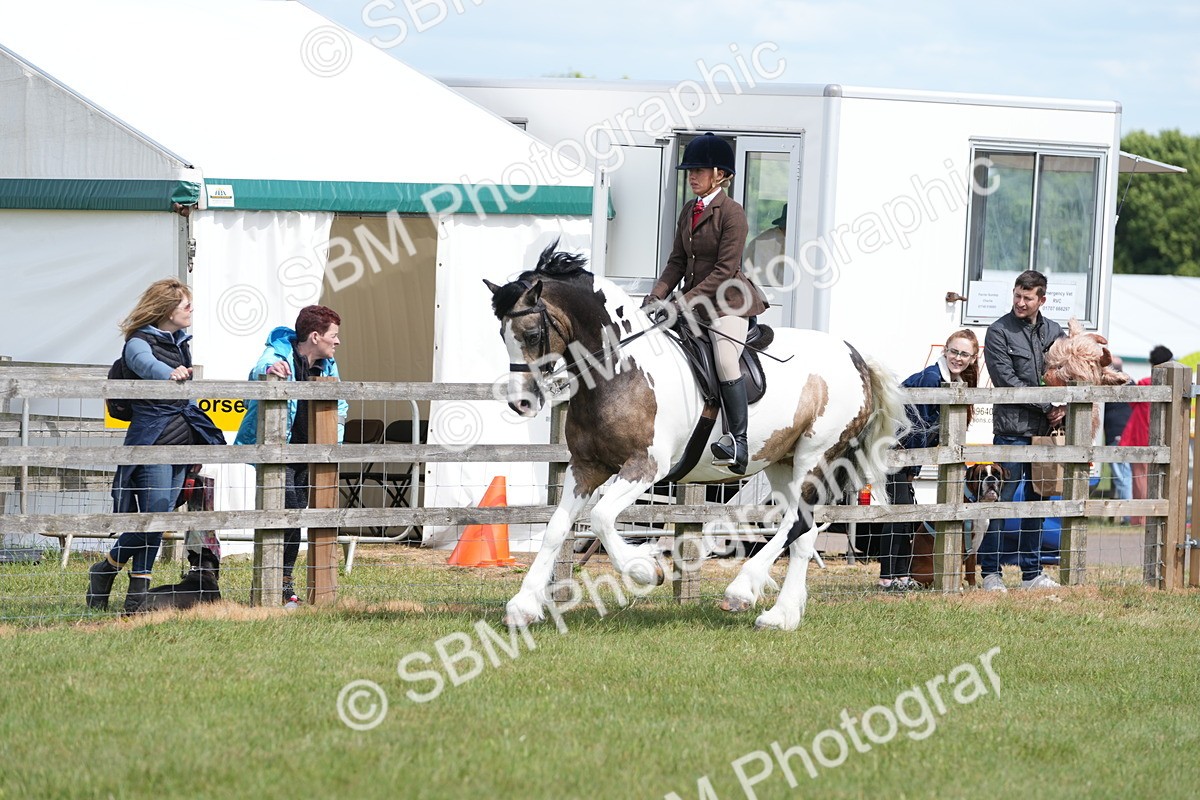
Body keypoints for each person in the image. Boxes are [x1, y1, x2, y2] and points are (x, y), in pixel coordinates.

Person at [87, 279, 226, 613]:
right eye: (186, 305)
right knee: (154, 519)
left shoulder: (180, 342)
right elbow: (143, 364)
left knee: (158, 521)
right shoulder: (139, 340)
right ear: (167, 308)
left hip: (181, 442)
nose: (191, 310)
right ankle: (111, 576)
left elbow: (186, 395)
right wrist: (169, 373)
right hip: (153, 441)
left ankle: (124, 586)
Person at [641, 132, 769, 475]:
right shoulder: (689, 210)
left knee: (726, 359)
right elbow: (677, 261)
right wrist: (656, 296)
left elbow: (725, 271)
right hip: (692, 304)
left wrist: (680, 301)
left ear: (720, 174)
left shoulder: (733, 214)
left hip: (728, 303)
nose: (692, 176)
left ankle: (738, 442)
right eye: (690, 171)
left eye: (698, 170)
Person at [234, 305, 348, 603]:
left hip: (308, 452)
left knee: (294, 517)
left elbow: (340, 403)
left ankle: (282, 584)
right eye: (333, 336)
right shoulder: (279, 354)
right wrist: (270, 371)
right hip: (278, 452)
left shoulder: (328, 365)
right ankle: (276, 587)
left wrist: (331, 445)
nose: (337, 341)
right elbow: (259, 370)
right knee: (287, 515)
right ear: (315, 336)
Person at [979, 270, 1066, 592]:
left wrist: (1064, 406)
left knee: (1038, 502)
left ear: (1042, 299)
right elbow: (1006, 380)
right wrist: (1048, 405)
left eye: (1027, 298)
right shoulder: (999, 331)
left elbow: (1066, 373)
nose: (1020, 302)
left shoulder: (1054, 331)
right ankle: (991, 573)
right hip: (1011, 431)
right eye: (1017, 295)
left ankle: (1032, 574)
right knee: (998, 502)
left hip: (1045, 434)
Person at [881, 330, 981, 591]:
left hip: (906, 454)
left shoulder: (952, 381)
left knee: (906, 513)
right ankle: (888, 577)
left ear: (973, 358)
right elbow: (918, 429)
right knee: (898, 513)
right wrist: (912, 467)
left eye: (964, 354)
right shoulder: (932, 378)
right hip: (893, 449)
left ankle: (902, 576)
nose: (958, 358)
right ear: (944, 350)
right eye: (954, 351)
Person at [1121, 344, 1174, 526]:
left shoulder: (1144, 384)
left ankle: (1140, 518)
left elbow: (1132, 404)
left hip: (1140, 437)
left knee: (1140, 478)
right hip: (1164, 438)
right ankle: (1151, 517)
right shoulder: (1173, 386)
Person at [1102, 356, 1134, 521]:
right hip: (1131, 433)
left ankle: (1129, 517)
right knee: (1128, 475)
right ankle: (1130, 515)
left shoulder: (1107, 383)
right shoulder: (1131, 382)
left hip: (1116, 434)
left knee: (1122, 477)